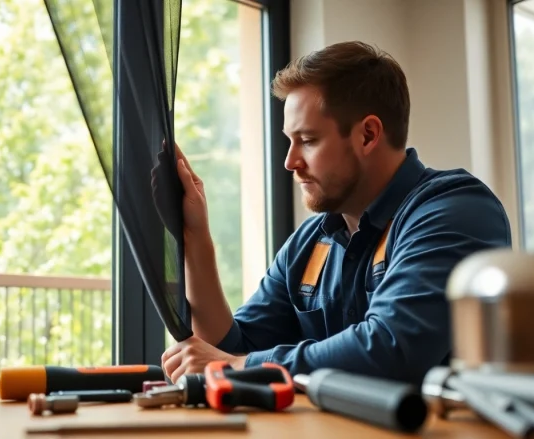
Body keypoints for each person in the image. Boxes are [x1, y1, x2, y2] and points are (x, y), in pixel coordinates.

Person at [160, 41, 512, 386]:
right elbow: (232, 350)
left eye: (308, 140)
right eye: (289, 140)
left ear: (368, 135)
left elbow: (392, 347)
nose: (290, 161)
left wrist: (241, 365)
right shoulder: (309, 243)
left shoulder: (455, 210)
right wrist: (196, 240)